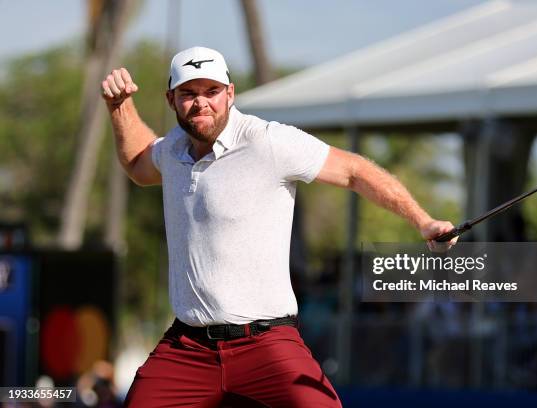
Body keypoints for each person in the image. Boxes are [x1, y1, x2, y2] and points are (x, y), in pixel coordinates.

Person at [101, 46, 457, 407]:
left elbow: (354, 170)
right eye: (189, 94)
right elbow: (138, 164)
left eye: (212, 92)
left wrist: (423, 220)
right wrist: (120, 106)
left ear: (230, 93)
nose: (201, 103)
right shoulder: (173, 149)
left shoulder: (268, 141)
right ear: (171, 99)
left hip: (266, 342)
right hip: (188, 348)